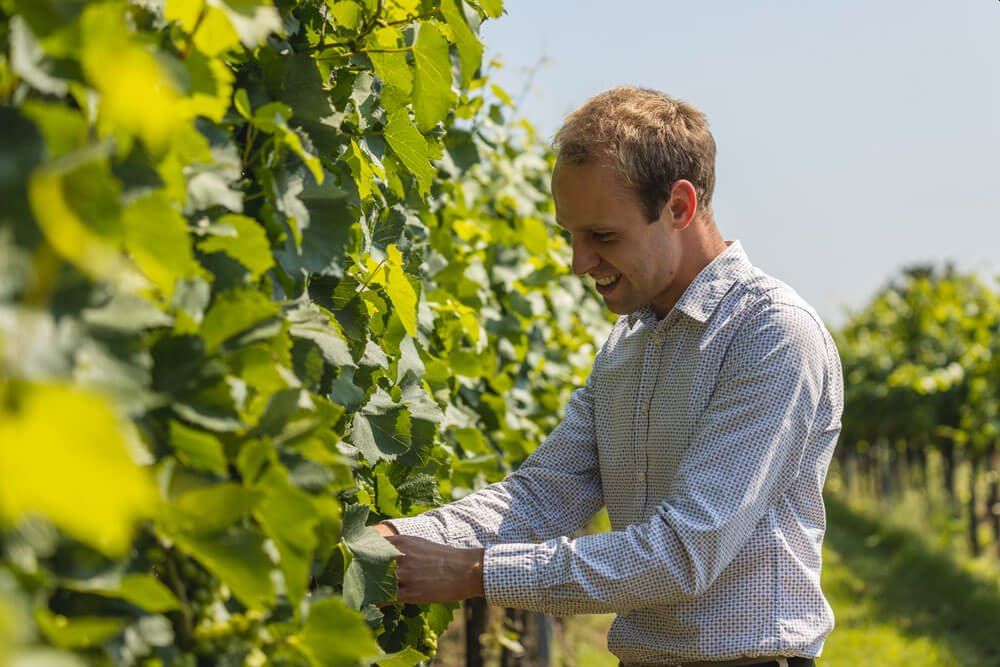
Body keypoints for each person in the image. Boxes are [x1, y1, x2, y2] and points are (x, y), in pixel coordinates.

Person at [372, 87, 843, 667]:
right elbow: (543, 494)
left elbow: (683, 553)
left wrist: (474, 573)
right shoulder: (628, 346)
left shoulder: (770, 334)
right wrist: (399, 539)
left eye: (602, 236)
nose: (578, 262)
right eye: (571, 234)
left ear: (678, 207)